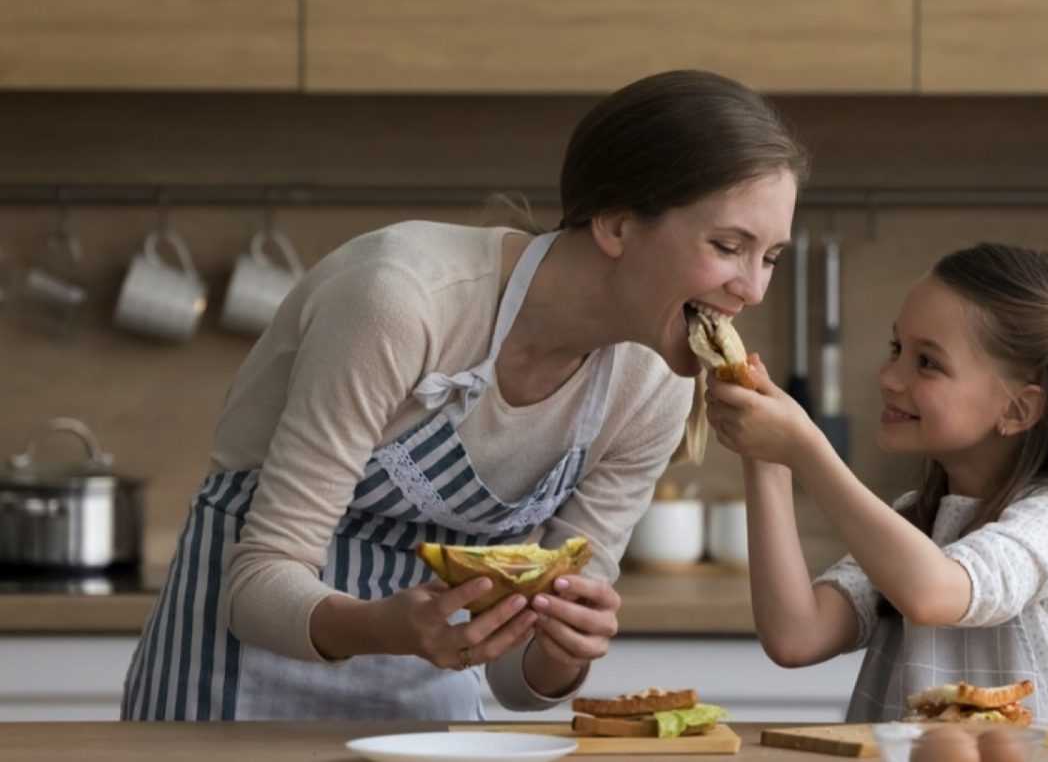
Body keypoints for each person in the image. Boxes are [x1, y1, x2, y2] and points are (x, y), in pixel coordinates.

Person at [121, 69, 805, 721]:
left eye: (770, 256)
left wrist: (564, 652)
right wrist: (386, 628)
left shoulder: (651, 390)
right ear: (618, 225)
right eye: (727, 245)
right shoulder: (401, 302)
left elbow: (517, 684)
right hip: (229, 695)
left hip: (428, 717)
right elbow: (256, 583)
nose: (753, 289)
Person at [704, 243, 1048, 725]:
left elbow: (933, 594)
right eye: (897, 349)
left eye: (927, 362)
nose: (888, 377)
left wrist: (806, 449)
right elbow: (796, 636)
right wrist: (767, 460)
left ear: (1016, 409)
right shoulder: (917, 522)